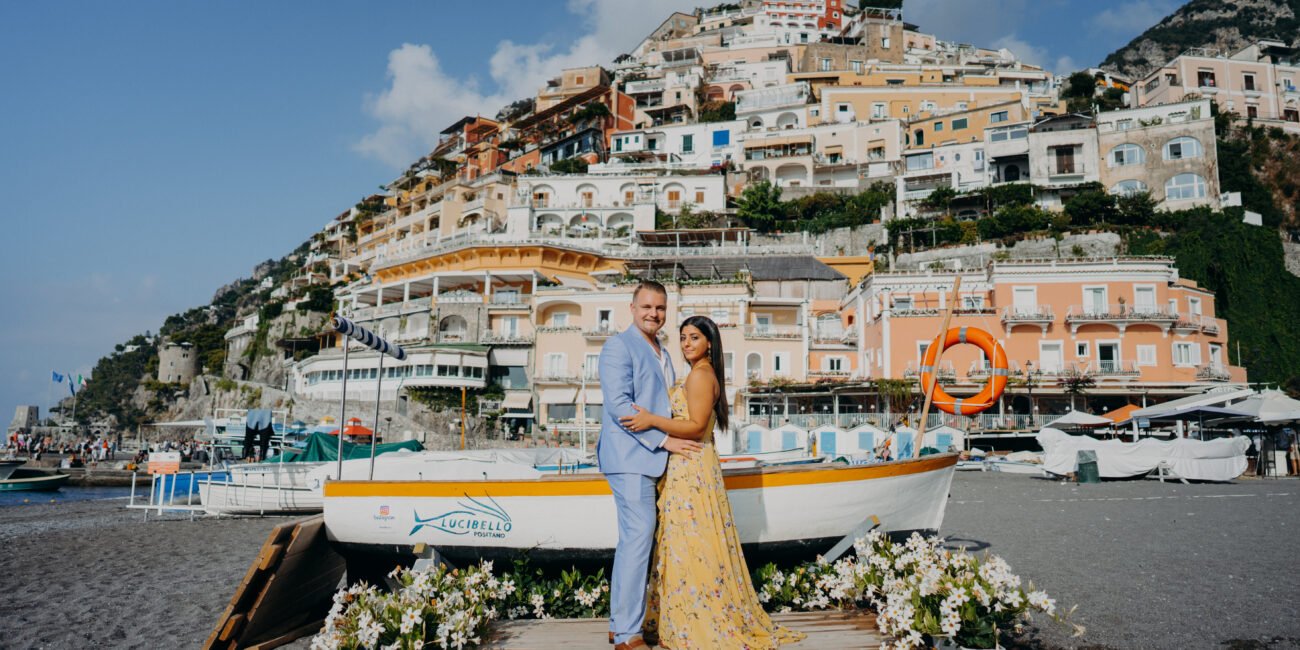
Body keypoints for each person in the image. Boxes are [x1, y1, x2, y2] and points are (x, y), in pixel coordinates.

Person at [621, 316, 804, 649]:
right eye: (683, 337)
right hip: (689, 464)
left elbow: (694, 426)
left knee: (691, 543)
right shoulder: (700, 374)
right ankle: (683, 618)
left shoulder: (701, 376)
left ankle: (694, 622)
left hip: (691, 467)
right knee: (686, 542)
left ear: (709, 342)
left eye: (694, 337)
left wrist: (650, 420)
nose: (686, 343)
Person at [598, 281, 701, 650]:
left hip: (650, 460)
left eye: (659, 308)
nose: (653, 314)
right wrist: (664, 440)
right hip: (629, 457)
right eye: (646, 307)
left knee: (635, 542)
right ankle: (628, 636)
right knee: (638, 539)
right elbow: (619, 405)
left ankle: (619, 625)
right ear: (632, 308)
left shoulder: (663, 351)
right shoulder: (618, 346)